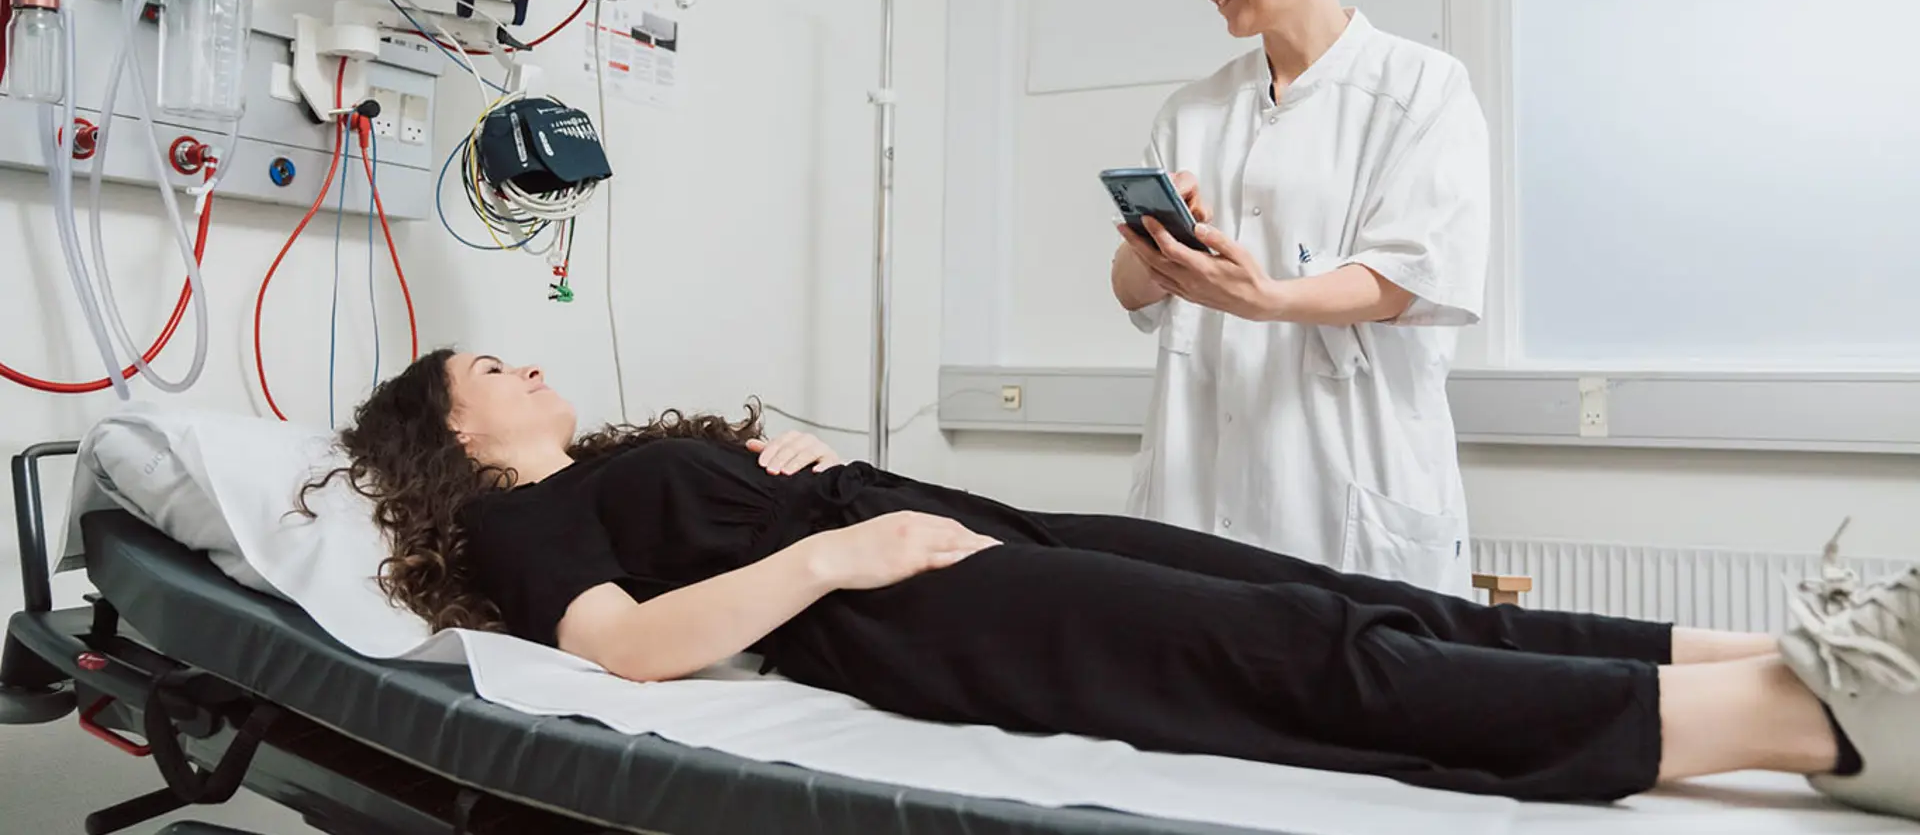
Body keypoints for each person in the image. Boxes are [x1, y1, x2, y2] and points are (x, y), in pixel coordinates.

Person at [309, 348, 1920, 818]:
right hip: (919, 606)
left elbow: (693, 533)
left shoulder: (602, 469)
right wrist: (835, 549)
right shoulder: (524, 528)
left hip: (972, 535)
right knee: (1305, 661)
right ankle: (1822, 726)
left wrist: (781, 460)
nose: (528, 363)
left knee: (1354, 595)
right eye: (493, 365)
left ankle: (1781, 649)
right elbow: (636, 649)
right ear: (453, 433)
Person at [1110, 0, 1491, 594]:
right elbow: (1130, 291)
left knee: (1358, 705)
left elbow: (1410, 277)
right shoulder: (1193, 110)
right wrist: (1154, 251)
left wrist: (1265, 299)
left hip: (1346, 487)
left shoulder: (1422, 88)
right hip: (1194, 487)